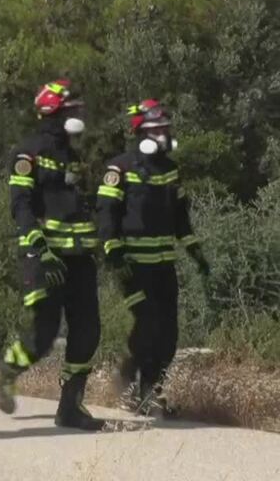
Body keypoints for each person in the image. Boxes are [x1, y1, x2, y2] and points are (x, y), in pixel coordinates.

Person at [0, 79, 105, 431]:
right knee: (45, 332)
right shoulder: (29, 153)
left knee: (88, 331)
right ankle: (8, 369)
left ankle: (70, 407)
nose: (78, 114)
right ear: (54, 113)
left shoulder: (75, 155)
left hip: (79, 257)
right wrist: (40, 248)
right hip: (45, 257)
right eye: (71, 109)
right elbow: (21, 207)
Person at [96, 99, 211, 416]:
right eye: (158, 128)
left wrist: (196, 251)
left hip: (163, 266)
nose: (164, 133)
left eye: (166, 127)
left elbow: (180, 219)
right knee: (147, 326)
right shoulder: (119, 169)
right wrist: (113, 250)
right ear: (143, 131)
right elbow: (106, 215)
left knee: (169, 333)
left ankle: (147, 386)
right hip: (132, 267)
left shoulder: (170, 170)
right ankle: (137, 389)